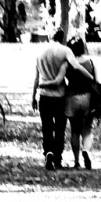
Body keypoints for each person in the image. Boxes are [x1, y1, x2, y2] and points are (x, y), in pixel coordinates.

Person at [32, 37, 71, 170]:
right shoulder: (64, 53)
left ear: (50, 37)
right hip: (60, 97)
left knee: (47, 127)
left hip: (44, 96)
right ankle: (58, 158)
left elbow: (36, 78)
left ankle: (48, 152)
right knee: (60, 129)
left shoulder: (40, 54)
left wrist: (33, 96)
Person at [63, 33, 100, 170]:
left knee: (74, 131)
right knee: (87, 129)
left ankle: (77, 161)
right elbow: (96, 81)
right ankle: (86, 151)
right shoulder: (90, 62)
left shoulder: (68, 63)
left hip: (71, 98)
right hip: (87, 98)